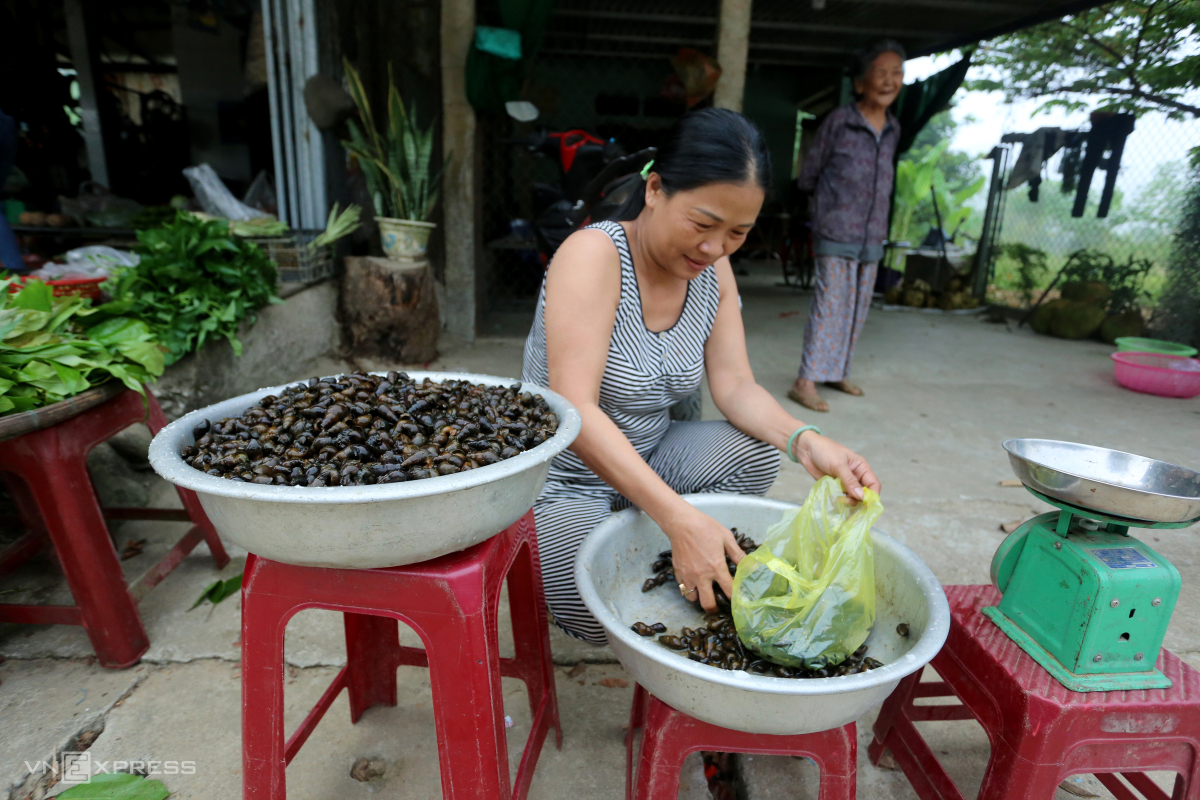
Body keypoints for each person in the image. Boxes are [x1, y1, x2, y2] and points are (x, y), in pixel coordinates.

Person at [522, 108, 881, 645]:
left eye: (737, 232)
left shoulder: (713, 270)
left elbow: (735, 386)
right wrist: (678, 517)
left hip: (650, 451)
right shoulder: (592, 255)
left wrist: (807, 443)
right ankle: (657, 533)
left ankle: (656, 534)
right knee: (594, 615)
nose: (714, 248)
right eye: (702, 223)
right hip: (566, 479)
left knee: (755, 449)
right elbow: (576, 408)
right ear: (655, 189)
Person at [788, 41, 905, 413]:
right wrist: (823, 207)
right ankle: (805, 381)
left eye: (897, 74)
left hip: (872, 233)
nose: (889, 81)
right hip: (836, 227)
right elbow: (810, 172)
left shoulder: (894, 128)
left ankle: (837, 370)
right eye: (881, 73)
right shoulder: (840, 121)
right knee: (830, 304)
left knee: (857, 307)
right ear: (860, 83)